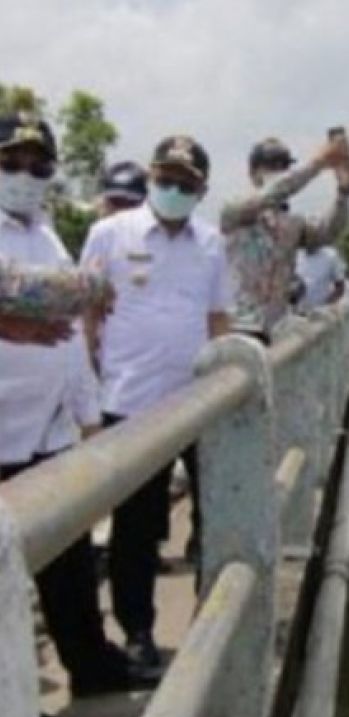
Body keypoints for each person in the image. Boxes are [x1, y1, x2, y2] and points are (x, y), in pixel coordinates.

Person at [0, 111, 150, 711]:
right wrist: (87, 287)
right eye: (10, 164)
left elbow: (68, 333)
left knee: (67, 567)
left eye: (38, 167)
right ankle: (13, 714)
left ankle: (92, 665)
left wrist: (86, 420)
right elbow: (44, 289)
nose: (24, 176)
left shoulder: (44, 232)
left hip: (47, 432)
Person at [80, 134, 232, 677]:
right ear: (149, 177)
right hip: (130, 402)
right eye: (165, 178)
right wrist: (87, 394)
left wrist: (225, 385)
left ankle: (211, 621)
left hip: (196, 402)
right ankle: (138, 631)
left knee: (217, 519)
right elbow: (88, 316)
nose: (172, 189)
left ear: (202, 190)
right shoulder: (108, 234)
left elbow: (218, 319)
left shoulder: (211, 243)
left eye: (185, 183)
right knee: (136, 528)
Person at [221, 132, 349, 341]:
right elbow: (274, 191)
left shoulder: (292, 223)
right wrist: (319, 162)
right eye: (271, 166)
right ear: (253, 173)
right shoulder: (235, 211)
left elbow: (327, 233)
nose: (279, 172)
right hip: (238, 327)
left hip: (277, 330)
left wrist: (344, 191)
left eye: (284, 166)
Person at [295, 243, 347, 311]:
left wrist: (326, 307)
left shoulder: (331, 255)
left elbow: (340, 287)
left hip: (321, 313)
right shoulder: (296, 255)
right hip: (298, 313)